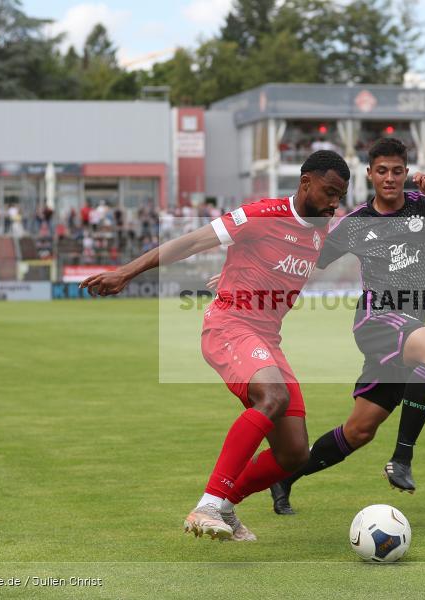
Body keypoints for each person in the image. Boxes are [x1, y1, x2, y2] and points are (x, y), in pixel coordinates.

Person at [80, 151, 350, 541]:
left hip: (268, 339)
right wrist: (126, 271)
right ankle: (207, 504)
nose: (332, 203)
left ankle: (225, 506)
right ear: (305, 182)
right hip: (230, 325)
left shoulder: (321, 227)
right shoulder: (262, 213)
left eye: (339, 196)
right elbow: (192, 241)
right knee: (271, 396)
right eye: (328, 192)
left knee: (295, 454)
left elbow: (273, 261)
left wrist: (230, 273)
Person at [270, 138, 425, 515]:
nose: (390, 177)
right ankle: (402, 459)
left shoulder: (424, 207)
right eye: (382, 170)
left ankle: (285, 477)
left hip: (409, 328)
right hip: (376, 319)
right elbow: (306, 259)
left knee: (359, 431)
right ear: (370, 174)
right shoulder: (355, 224)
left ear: (406, 172)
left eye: (397, 170)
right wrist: (249, 277)